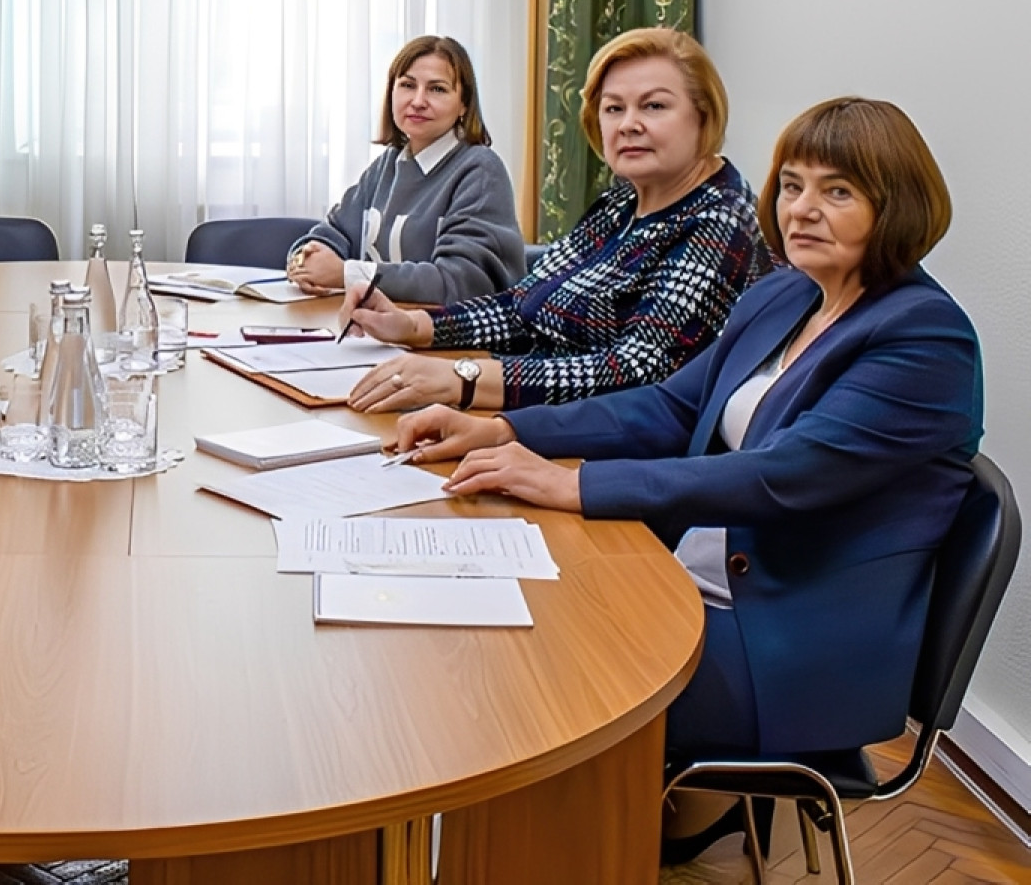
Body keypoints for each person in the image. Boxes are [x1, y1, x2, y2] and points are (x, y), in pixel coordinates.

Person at [395, 97, 981, 858]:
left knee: (528, 663)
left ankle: (554, 846)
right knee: (486, 618)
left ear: (897, 204)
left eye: (837, 191)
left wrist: (578, 485)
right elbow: (671, 406)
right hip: (695, 581)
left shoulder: (925, 337)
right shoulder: (786, 293)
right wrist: (508, 428)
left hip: (786, 641)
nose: (802, 208)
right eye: (792, 185)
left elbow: (782, 476)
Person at [341, 27, 773, 412]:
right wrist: (414, 325)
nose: (628, 124)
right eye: (613, 108)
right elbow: (522, 305)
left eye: (654, 106)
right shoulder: (622, 203)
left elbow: (638, 369)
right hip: (529, 410)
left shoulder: (719, 220)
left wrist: (465, 378)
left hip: (605, 447)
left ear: (704, 116)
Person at [285, 35, 526, 303]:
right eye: (408, 85)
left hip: (445, 329)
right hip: (376, 325)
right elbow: (332, 234)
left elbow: (460, 282)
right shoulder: (386, 165)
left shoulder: (481, 171)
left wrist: (347, 274)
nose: (418, 101)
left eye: (437, 89)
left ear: (464, 105)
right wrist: (304, 261)